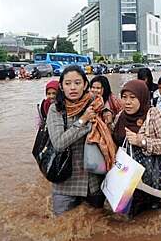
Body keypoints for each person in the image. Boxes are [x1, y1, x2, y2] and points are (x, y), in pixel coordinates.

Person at [46, 65, 105, 215]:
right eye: (68, 83)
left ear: (85, 85)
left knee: (96, 226)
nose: (73, 88)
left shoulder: (96, 103)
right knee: (62, 227)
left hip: (94, 181)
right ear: (61, 86)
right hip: (66, 182)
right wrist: (83, 121)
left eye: (77, 83)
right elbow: (59, 143)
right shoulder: (56, 109)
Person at [112, 79, 161, 218]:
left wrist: (142, 141)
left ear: (142, 97)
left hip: (151, 177)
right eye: (124, 97)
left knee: (153, 219)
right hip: (126, 176)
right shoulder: (119, 116)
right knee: (125, 218)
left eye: (133, 98)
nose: (127, 102)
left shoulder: (154, 115)